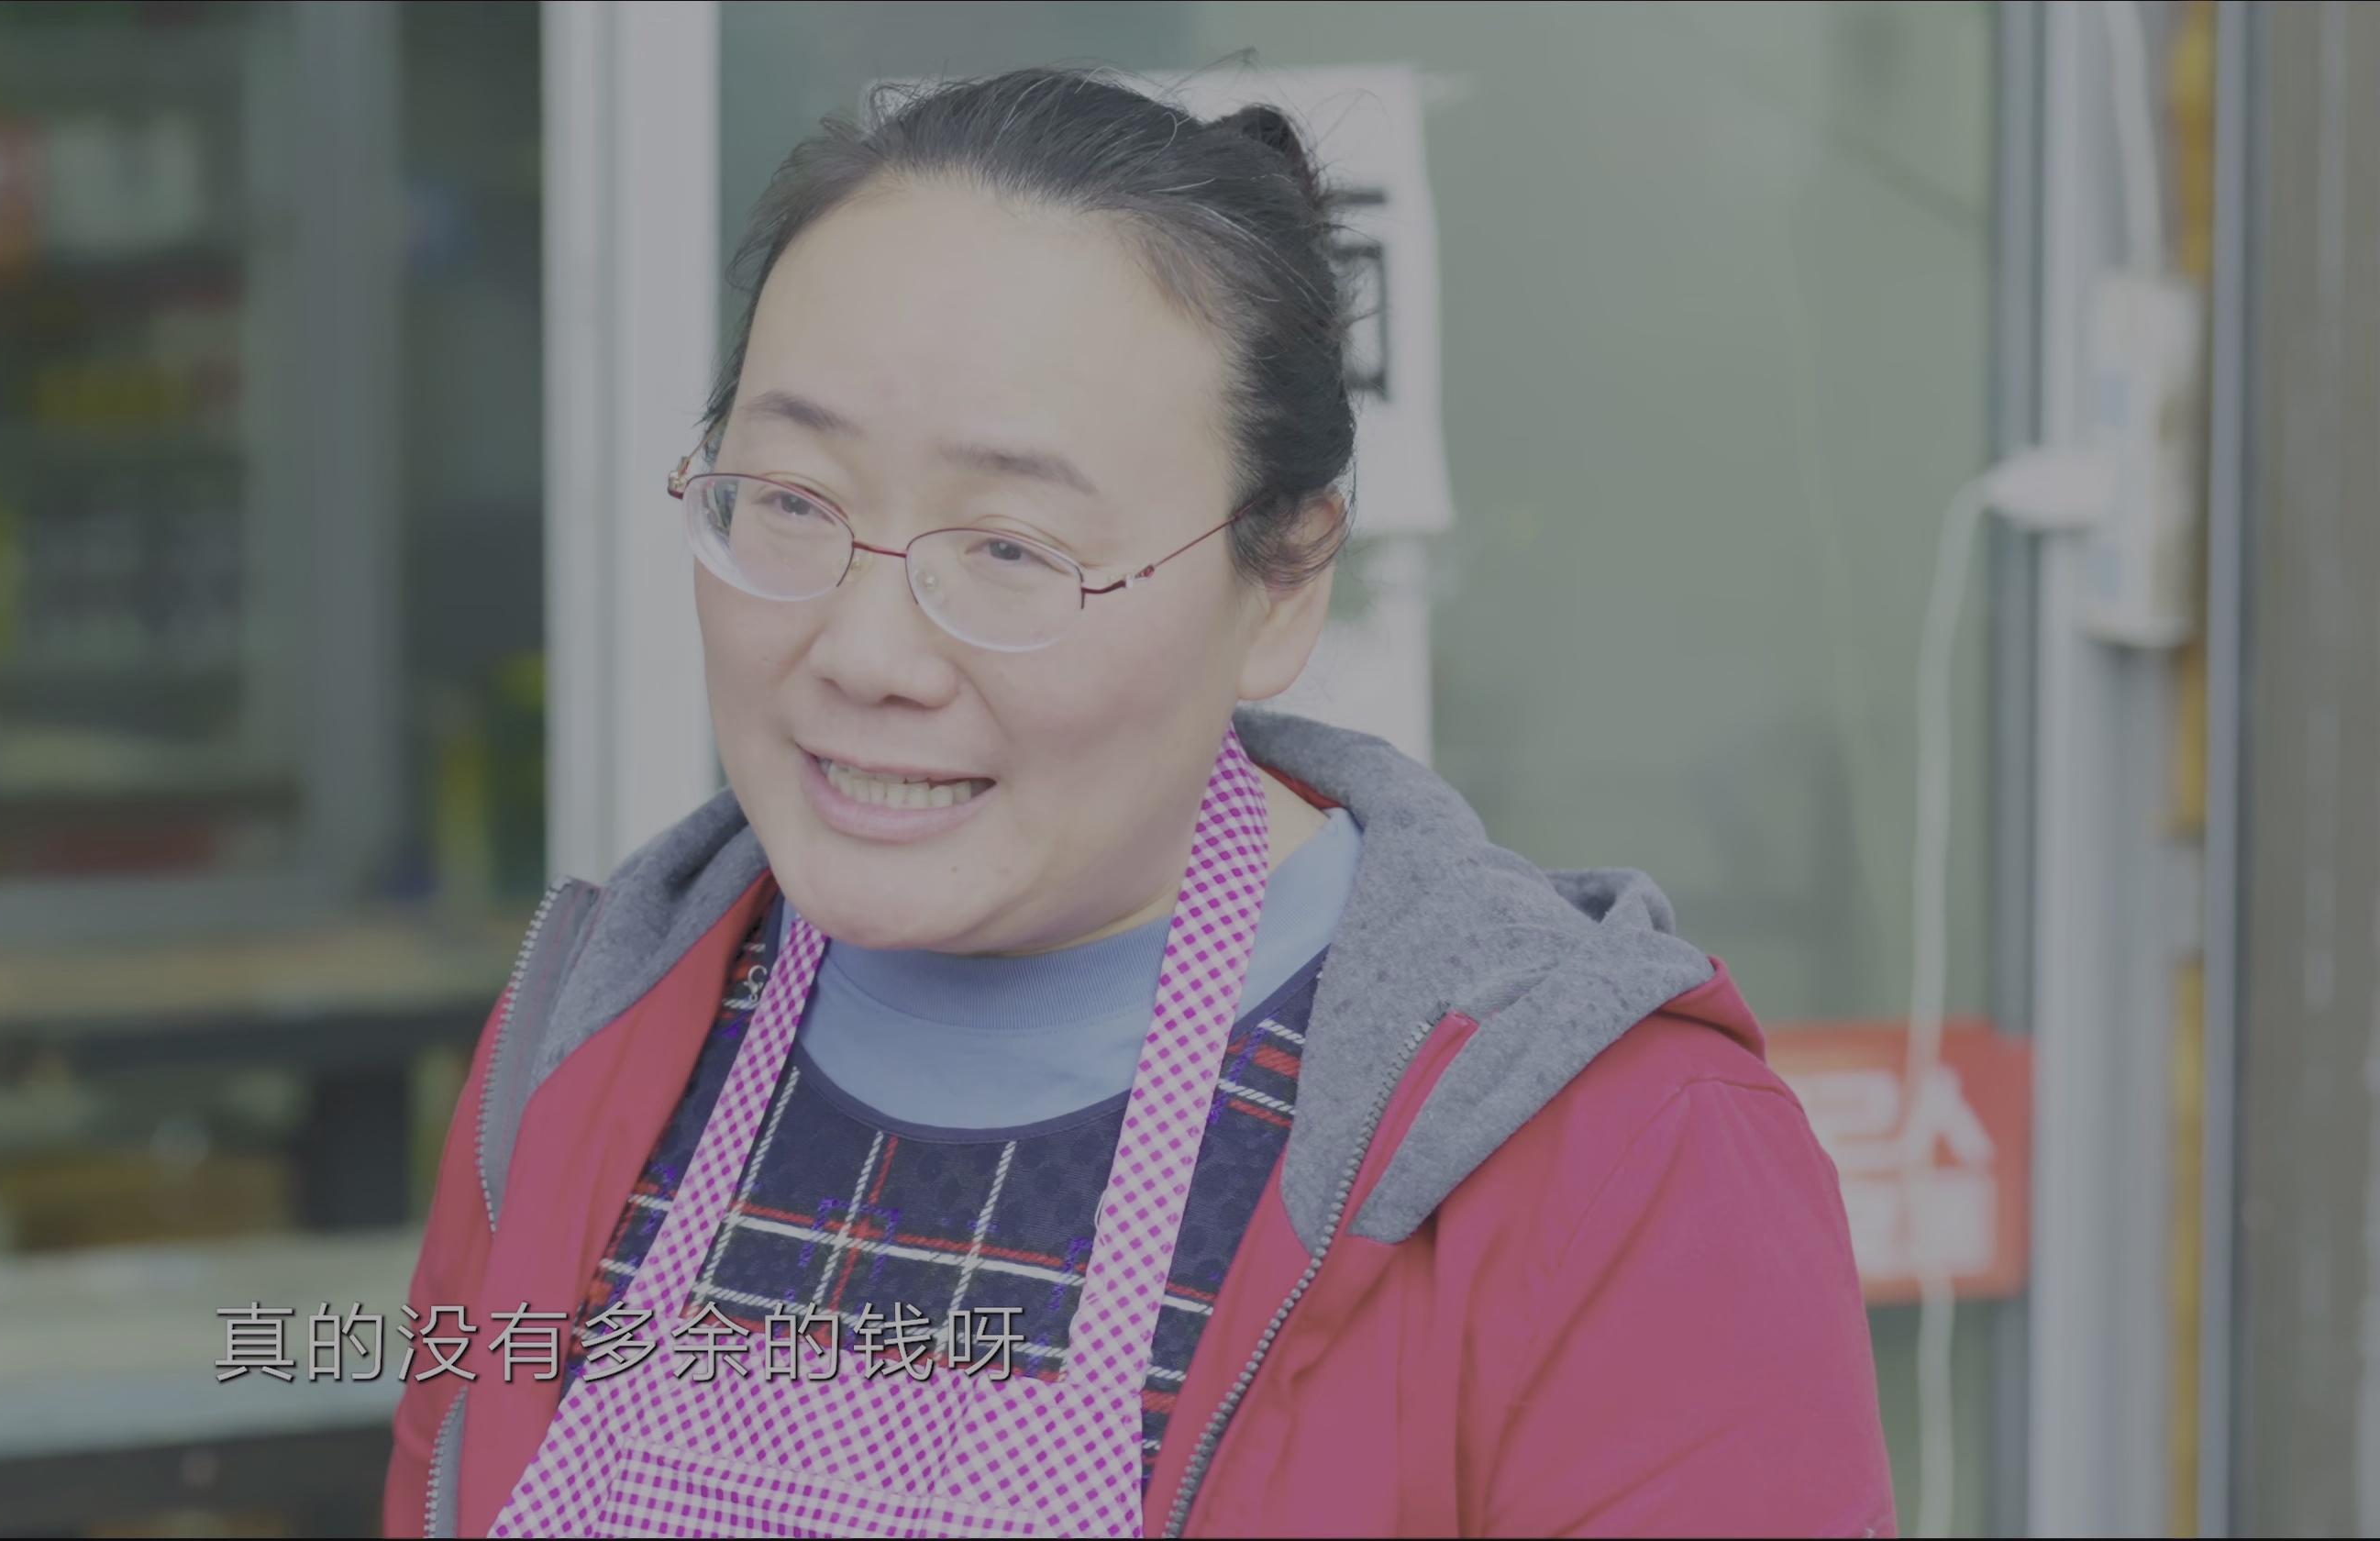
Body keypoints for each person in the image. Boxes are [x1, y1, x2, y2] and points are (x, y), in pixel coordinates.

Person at [385, 67, 1892, 1538]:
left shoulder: (1617, 1164)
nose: (863, 654)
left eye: (1012, 549)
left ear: (1281, 579)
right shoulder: (592, 1035)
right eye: (790, 501)